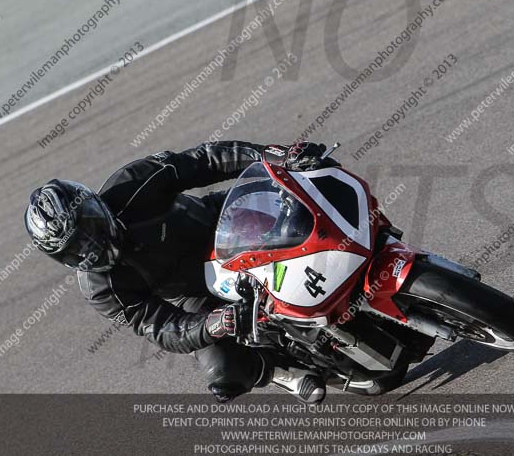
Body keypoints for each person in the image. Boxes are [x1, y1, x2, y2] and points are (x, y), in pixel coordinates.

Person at [24, 141, 336, 403]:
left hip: (225, 222)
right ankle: (281, 372)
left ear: (95, 205)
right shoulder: (102, 290)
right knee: (224, 373)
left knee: (313, 192)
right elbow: (160, 328)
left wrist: (273, 156)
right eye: (76, 249)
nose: (91, 245)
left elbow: (203, 160)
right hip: (196, 290)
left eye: (89, 228)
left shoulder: (132, 183)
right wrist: (212, 325)